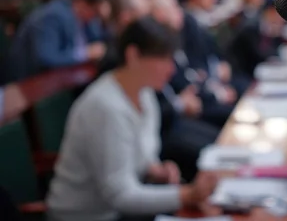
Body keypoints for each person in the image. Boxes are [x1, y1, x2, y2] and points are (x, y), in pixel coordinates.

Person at [46, 17, 217, 221]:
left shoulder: (144, 93)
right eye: (163, 59)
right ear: (133, 55)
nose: (171, 69)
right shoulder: (105, 107)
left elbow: (140, 158)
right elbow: (120, 195)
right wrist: (186, 194)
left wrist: (156, 170)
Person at [6, 0, 108, 82]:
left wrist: (104, 19)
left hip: (64, 76)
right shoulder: (53, 16)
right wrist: (84, 53)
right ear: (81, 3)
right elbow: (47, 58)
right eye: (94, 12)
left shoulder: (82, 16)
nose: (94, 18)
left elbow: (98, 39)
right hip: (29, 80)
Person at [227, 4, 285, 80]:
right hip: (239, 71)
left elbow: (274, 50)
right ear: (270, 13)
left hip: (255, 69)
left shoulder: (269, 28)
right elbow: (259, 53)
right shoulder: (251, 27)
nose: (282, 20)